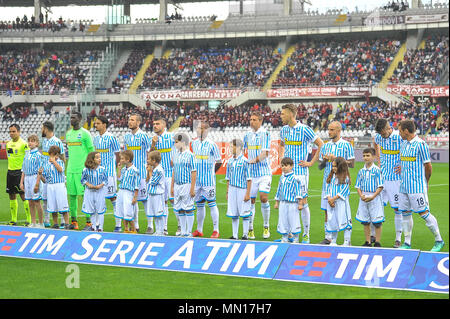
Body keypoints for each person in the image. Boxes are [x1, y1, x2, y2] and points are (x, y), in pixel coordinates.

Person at [279, 104, 324, 244]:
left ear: (291, 114)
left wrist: (311, 163)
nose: (281, 116)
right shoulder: (284, 130)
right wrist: (281, 158)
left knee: (302, 202)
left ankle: (305, 234)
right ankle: (289, 234)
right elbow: (281, 144)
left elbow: (321, 144)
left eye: (283, 114)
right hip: (286, 173)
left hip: (300, 173)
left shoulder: (305, 129)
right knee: (286, 202)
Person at [397, 120, 444, 252]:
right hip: (403, 186)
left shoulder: (421, 144)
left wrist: (426, 182)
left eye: (400, 131)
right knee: (405, 213)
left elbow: (428, 166)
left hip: (416, 187)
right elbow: (407, 162)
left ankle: (439, 240)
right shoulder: (404, 144)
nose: (399, 133)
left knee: (424, 213)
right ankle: (407, 242)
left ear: (406, 131)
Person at [318, 121, 354, 245]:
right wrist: (325, 160)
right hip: (328, 183)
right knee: (327, 210)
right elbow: (321, 166)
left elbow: (352, 164)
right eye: (329, 129)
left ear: (339, 131)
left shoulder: (346, 145)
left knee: (342, 210)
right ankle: (328, 237)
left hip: (341, 183)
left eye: (332, 130)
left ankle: (345, 240)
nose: (329, 132)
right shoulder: (325, 145)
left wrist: (337, 159)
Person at [373, 118, 404, 248]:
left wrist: (403, 164)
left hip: (395, 179)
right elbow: (375, 143)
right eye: (379, 133)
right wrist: (378, 158)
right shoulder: (379, 137)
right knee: (375, 205)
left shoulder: (399, 137)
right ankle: (373, 235)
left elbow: (409, 149)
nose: (381, 135)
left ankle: (398, 238)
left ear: (388, 128)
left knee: (397, 209)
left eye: (383, 132)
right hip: (382, 176)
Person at [243, 111, 272, 240]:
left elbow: (265, 153)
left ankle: (266, 226)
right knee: (251, 201)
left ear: (260, 121)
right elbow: (243, 151)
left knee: (264, 197)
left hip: (264, 172)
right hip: (251, 174)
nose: (252, 121)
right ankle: (250, 229)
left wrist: (253, 160)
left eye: (254, 119)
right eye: (251, 119)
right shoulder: (247, 135)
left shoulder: (265, 134)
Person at [191, 120, 222, 238]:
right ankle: (199, 230)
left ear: (207, 131)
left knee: (212, 203)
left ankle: (216, 230)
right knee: (199, 204)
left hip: (208, 180)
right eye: (199, 128)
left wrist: (211, 173)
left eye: (203, 129)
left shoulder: (212, 144)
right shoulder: (194, 143)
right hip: (197, 180)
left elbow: (219, 161)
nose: (200, 131)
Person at [65, 111, 95, 230]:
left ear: (80, 119)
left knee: (84, 196)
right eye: (70, 117)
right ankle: (74, 222)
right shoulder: (68, 134)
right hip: (70, 169)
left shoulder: (85, 134)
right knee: (72, 196)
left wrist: (90, 167)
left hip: (82, 170)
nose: (71, 119)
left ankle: (89, 222)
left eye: (74, 118)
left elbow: (91, 151)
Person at [123, 113, 152, 233]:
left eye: (132, 120)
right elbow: (125, 155)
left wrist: (148, 170)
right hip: (130, 175)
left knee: (145, 200)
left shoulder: (144, 136)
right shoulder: (126, 137)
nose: (130, 122)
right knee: (132, 200)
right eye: (129, 119)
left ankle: (150, 225)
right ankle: (136, 226)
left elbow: (150, 153)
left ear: (138, 123)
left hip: (141, 174)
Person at [93, 115, 121, 232]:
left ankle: (118, 225)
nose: (96, 125)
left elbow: (118, 155)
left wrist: (113, 169)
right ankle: (99, 225)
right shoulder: (95, 138)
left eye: (98, 123)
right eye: (95, 123)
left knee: (113, 198)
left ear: (104, 124)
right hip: (98, 174)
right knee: (98, 199)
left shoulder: (111, 138)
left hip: (109, 174)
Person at [150, 117, 177, 235]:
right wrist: (153, 144)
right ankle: (163, 228)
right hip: (159, 174)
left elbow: (178, 149)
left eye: (157, 123)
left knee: (173, 200)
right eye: (154, 124)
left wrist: (174, 159)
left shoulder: (171, 137)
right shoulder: (154, 139)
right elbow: (150, 155)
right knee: (162, 202)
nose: (155, 125)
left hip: (170, 174)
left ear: (164, 125)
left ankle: (181, 226)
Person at [355, 148, 384, 247]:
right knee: (365, 221)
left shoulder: (377, 170)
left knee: (377, 222)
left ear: (374, 157)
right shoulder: (361, 171)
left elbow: (380, 186)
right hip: (363, 197)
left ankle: (377, 241)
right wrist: (361, 195)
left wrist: (373, 196)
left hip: (374, 197)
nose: (365, 158)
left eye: (368, 155)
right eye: (364, 156)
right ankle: (368, 241)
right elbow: (358, 186)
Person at [39, 121, 65, 227]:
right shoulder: (44, 141)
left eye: (42, 128)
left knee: (59, 199)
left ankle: (63, 220)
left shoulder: (57, 141)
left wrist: (62, 172)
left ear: (46, 129)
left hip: (56, 176)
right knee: (45, 198)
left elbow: (62, 157)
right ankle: (46, 220)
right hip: (46, 173)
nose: (41, 130)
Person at [226, 139, 252, 240]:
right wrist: (228, 191)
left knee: (244, 212)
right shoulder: (230, 161)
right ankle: (235, 235)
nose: (231, 148)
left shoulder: (245, 161)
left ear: (239, 147)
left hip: (242, 189)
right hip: (232, 189)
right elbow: (228, 178)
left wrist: (247, 193)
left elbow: (249, 179)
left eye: (232, 146)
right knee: (234, 213)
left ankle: (245, 234)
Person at [37, 145, 70, 229]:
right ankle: (55, 223)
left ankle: (66, 223)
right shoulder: (46, 164)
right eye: (52, 154)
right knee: (53, 206)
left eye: (56, 154)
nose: (54, 156)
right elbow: (45, 180)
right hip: (50, 186)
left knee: (63, 204)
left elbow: (60, 170)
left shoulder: (60, 162)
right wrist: (40, 175)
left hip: (59, 185)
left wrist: (54, 162)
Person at [171, 132, 197, 237]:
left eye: (177, 142)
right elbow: (174, 170)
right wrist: (172, 186)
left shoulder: (190, 155)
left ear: (183, 142)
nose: (175, 144)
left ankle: (189, 231)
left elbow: (194, 172)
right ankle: (183, 231)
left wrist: (192, 188)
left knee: (188, 208)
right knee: (180, 208)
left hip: (186, 184)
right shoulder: (175, 154)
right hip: (177, 185)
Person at [274, 157, 304, 243]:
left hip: (292, 203)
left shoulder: (295, 178)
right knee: (283, 220)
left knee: (294, 220)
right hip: (283, 203)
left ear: (291, 166)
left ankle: (295, 238)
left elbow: (298, 191)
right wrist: (277, 202)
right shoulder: (282, 178)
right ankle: (284, 238)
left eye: (286, 166)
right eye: (282, 166)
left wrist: (300, 203)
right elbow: (278, 190)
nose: (283, 167)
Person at [6, 124, 31, 226]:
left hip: (20, 173)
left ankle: (29, 219)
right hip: (10, 172)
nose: (11, 133)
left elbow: (28, 159)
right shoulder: (8, 144)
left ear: (19, 132)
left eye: (14, 131)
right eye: (10, 132)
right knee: (11, 195)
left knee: (23, 195)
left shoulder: (24, 144)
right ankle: (13, 219)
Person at [324, 157, 352, 246]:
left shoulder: (345, 178)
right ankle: (333, 240)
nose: (333, 168)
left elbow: (344, 191)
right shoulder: (331, 176)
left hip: (341, 203)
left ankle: (347, 241)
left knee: (345, 221)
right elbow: (327, 188)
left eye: (335, 166)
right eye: (332, 166)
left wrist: (333, 199)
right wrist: (329, 198)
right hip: (331, 204)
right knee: (333, 221)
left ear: (341, 166)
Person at [19, 134, 43, 228]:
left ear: (37, 143)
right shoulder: (27, 154)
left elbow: (40, 170)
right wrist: (21, 182)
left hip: (34, 177)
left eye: (32, 141)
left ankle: (41, 223)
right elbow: (23, 169)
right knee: (30, 201)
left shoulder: (38, 155)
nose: (30, 143)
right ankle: (33, 222)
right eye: (29, 141)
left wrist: (37, 183)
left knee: (36, 201)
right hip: (27, 178)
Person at [80, 151, 108, 232]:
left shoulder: (102, 169)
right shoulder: (86, 170)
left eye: (100, 157)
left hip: (100, 192)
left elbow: (105, 180)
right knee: (91, 210)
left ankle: (100, 227)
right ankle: (93, 226)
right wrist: (88, 184)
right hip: (89, 192)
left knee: (100, 209)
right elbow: (82, 180)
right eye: (97, 157)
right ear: (92, 159)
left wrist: (100, 185)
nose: (99, 159)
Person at [116, 150, 139, 233]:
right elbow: (119, 179)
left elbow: (137, 185)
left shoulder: (135, 170)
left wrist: (135, 197)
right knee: (122, 211)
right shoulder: (123, 169)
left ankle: (133, 229)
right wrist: (119, 169)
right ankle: (126, 229)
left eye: (122, 158)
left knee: (128, 211)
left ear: (128, 159)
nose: (121, 160)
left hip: (129, 192)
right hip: (121, 191)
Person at [146, 151, 166, 236]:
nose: (147, 161)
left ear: (154, 160)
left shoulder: (159, 170)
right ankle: (157, 230)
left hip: (158, 194)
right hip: (152, 194)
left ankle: (161, 231)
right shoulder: (155, 169)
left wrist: (150, 172)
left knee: (159, 213)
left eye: (149, 159)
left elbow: (153, 182)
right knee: (154, 213)